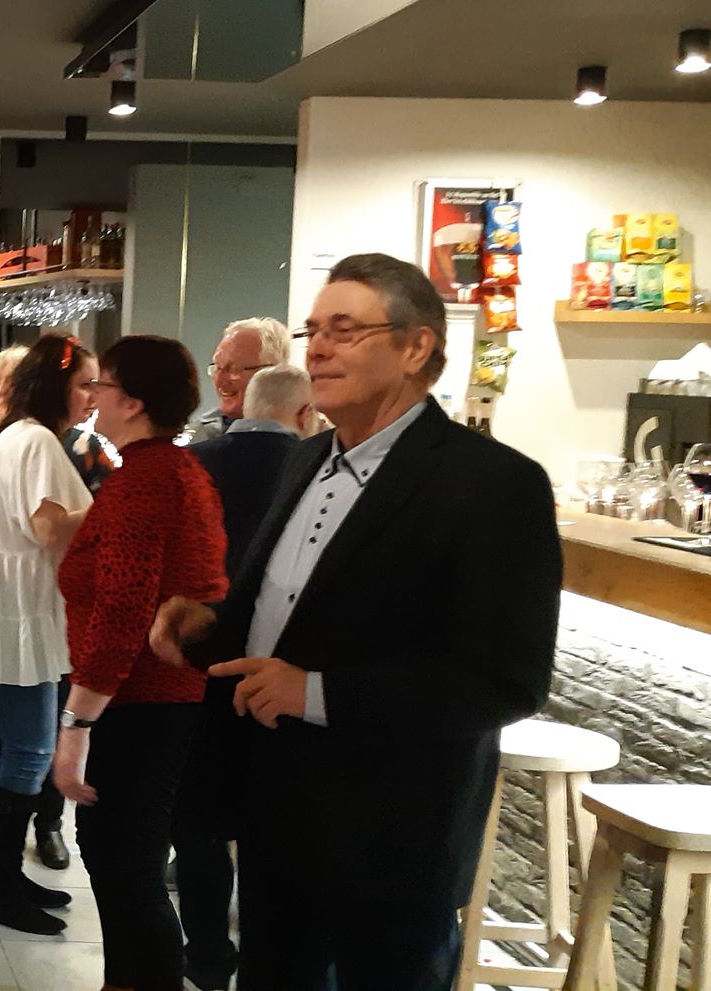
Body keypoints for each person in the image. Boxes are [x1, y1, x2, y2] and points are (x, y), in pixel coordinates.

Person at [150, 253, 560, 991]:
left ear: (416, 346)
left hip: (392, 832)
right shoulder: (305, 460)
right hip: (277, 810)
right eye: (313, 331)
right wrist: (208, 626)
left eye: (344, 330)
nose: (318, 348)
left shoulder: (495, 484)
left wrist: (316, 693)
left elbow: (506, 680)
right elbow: (282, 613)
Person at [48, 336, 225, 991]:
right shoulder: (172, 471)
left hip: (140, 702)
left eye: (105, 384)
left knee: (125, 866)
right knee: (124, 862)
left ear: (134, 401)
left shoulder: (145, 481)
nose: (93, 396)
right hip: (163, 699)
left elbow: (122, 610)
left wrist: (76, 724)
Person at [0, 333, 100, 935]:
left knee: (25, 745)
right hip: (20, 609)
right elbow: (48, 527)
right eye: (84, 384)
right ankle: (0, 885)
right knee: (30, 749)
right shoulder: (34, 440)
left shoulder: (15, 436)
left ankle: (5, 876)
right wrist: (114, 507)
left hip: (14, 604)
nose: (92, 396)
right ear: (57, 385)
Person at [171, 361, 314, 990]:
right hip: (287, 674)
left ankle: (206, 955)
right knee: (274, 830)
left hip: (201, 663)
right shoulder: (314, 471)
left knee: (199, 824)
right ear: (304, 413)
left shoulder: (195, 462)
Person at [186, 317, 292, 444]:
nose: (220, 380)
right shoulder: (196, 438)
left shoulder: (303, 436)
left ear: (271, 372)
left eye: (234, 369)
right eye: (217, 367)